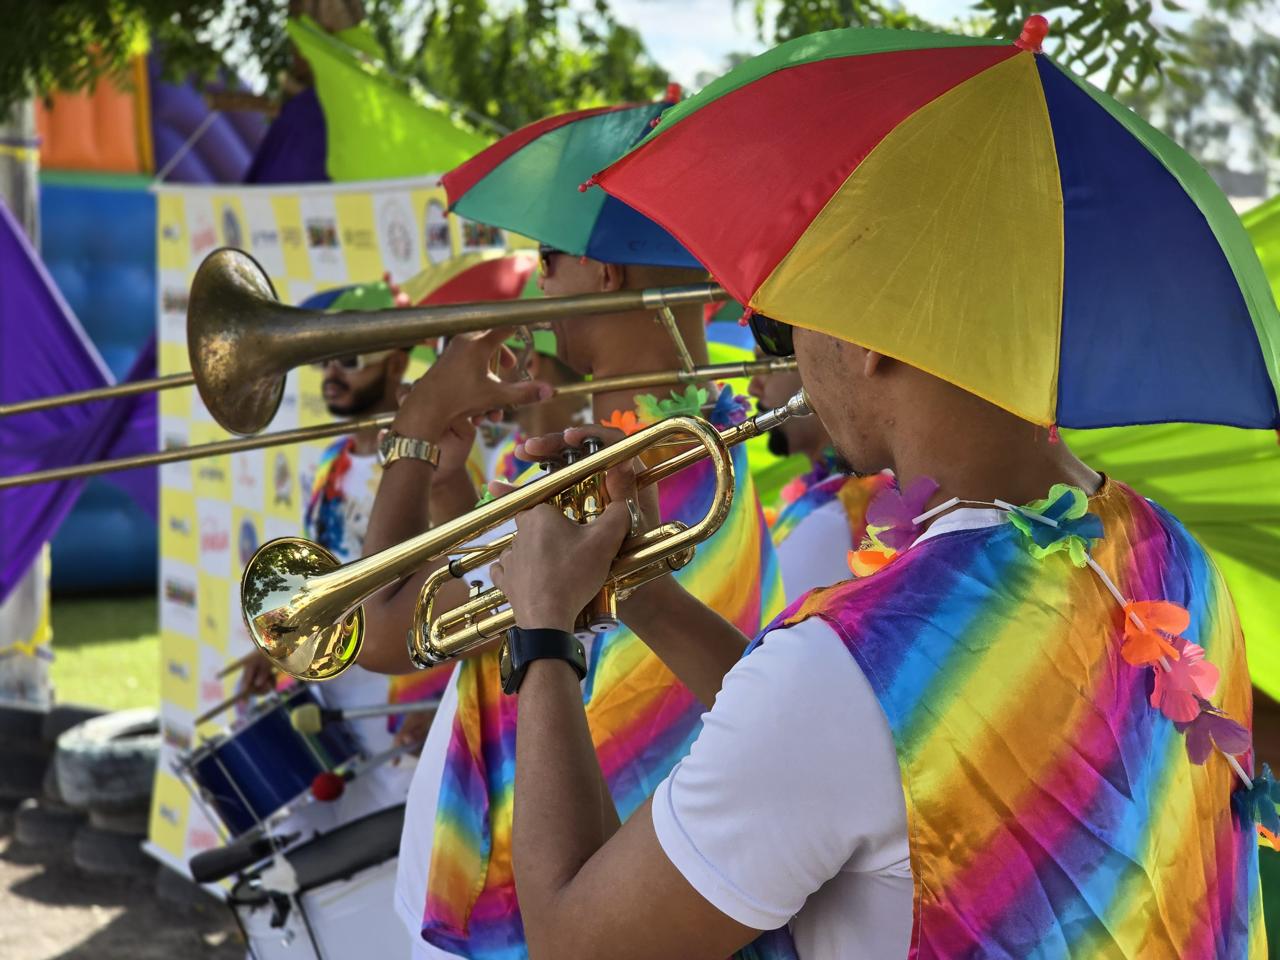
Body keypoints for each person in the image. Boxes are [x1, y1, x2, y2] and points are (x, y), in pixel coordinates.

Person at [482, 314, 1261, 959]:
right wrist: (643, 596)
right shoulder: (1176, 555)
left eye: (781, 328)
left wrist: (542, 631)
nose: (788, 358)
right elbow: (859, 740)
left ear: (864, 337)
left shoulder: (838, 671)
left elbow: (572, 942)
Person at [354, 251, 783, 959]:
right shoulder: (705, 446)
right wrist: (449, 488)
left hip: (534, 904)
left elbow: (375, 632)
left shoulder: (622, 474)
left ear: (605, 270)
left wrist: (418, 425)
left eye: (551, 259)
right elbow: (479, 616)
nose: (541, 283)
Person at [240, 347, 450, 820]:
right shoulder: (330, 460)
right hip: (335, 686)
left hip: (399, 685)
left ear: (395, 364)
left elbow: (448, 579)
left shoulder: (428, 463)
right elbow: (318, 576)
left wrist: (437, 698)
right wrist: (275, 642)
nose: (332, 373)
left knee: (396, 829)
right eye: (325, 360)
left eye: (351, 360)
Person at [747, 347, 891, 596]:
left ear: (818, 369)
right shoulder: (828, 500)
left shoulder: (841, 513)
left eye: (767, 365)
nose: (753, 388)